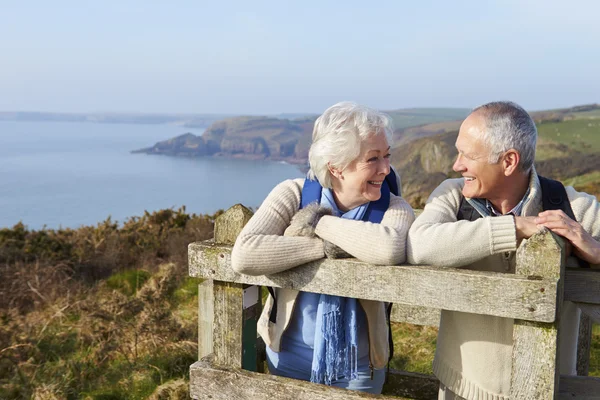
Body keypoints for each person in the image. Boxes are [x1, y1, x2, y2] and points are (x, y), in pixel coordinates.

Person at [407, 100, 600, 400]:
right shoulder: (451, 195)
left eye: (467, 155)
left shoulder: (572, 207)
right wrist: (512, 228)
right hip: (462, 389)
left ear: (509, 161)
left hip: (549, 391)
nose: (457, 165)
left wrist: (595, 250)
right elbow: (418, 245)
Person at [231, 101, 415, 394]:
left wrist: (316, 223)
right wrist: (326, 247)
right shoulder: (292, 193)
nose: (386, 169)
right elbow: (245, 254)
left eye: (387, 156)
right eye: (373, 159)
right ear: (336, 167)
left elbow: (388, 248)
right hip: (287, 357)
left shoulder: (394, 206)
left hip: (360, 367)